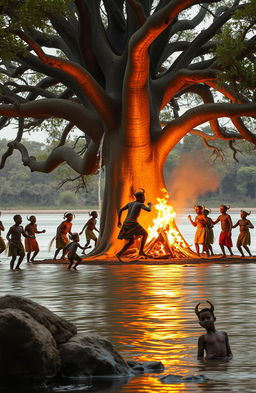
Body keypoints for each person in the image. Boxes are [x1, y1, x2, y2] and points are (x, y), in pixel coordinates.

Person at [116, 189, 152, 262]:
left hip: (126, 222)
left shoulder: (130, 203)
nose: (144, 199)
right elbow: (148, 210)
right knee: (145, 234)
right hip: (132, 223)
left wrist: (119, 221)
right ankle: (141, 251)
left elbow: (120, 210)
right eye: (143, 197)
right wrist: (150, 205)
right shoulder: (140, 204)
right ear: (138, 198)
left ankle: (119, 254)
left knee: (131, 241)